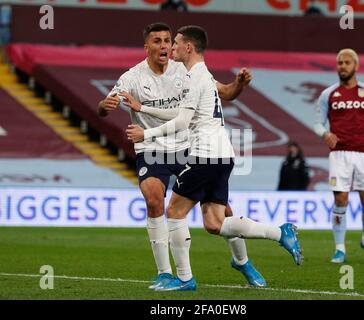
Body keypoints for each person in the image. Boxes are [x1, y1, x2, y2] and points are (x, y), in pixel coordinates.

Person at [126, 25, 302, 291]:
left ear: (188, 47)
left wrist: (146, 132)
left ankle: (184, 279)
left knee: (174, 212)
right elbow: (180, 112)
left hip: (204, 155)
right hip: (223, 154)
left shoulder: (196, 77)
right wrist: (143, 108)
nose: (171, 47)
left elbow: (183, 120)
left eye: (175, 43)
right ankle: (280, 233)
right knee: (214, 223)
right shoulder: (200, 75)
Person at [98, 23, 265, 290]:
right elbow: (106, 105)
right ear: (147, 47)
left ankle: (242, 261)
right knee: (154, 200)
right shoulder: (132, 77)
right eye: (157, 41)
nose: (164, 45)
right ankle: (165, 273)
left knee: (222, 212)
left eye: (167, 40)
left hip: (187, 147)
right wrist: (105, 107)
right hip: (152, 149)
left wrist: (239, 84)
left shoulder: (185, 70)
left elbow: (225, 93)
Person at [314, 48, 364, 264]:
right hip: (339, 154)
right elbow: (317, 123)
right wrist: (325, 133)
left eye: (346, 63)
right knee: (341, 199)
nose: (342, 66)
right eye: (339, 63)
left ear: (356, 66)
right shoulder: (329, 94)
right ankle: (340, 248)